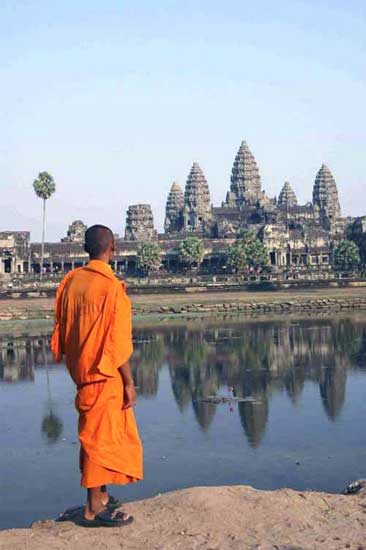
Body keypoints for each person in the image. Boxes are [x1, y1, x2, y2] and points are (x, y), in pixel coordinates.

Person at [51, 224, 143, 527]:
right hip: (105, 375)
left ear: (86, 249)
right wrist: (129, 382)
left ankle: (101, 495)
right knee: (98, 440)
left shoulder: (71, 282)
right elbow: (117, 347)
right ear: (112, 247)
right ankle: (93, 508)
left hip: (83, 373)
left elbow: (62, 334)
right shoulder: (111, 288)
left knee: (96, 436)